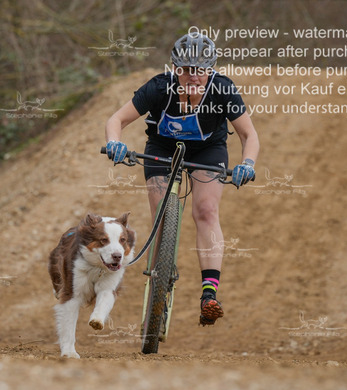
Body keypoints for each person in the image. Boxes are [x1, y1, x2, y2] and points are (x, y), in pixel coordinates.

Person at [104, 32, 259, 326]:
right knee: (161, 215)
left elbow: (248, 134)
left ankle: (209, 294)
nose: (193, 76)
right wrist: (115, 142)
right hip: (162, 148)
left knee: (206, 210)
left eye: (200, 70)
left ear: (211, 70)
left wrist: (247, 163)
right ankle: (158, 282)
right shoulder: (159, 87)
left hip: (208, 150)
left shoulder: (222, 90)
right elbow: (117, 120)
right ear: (175, 68)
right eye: (186, 70)